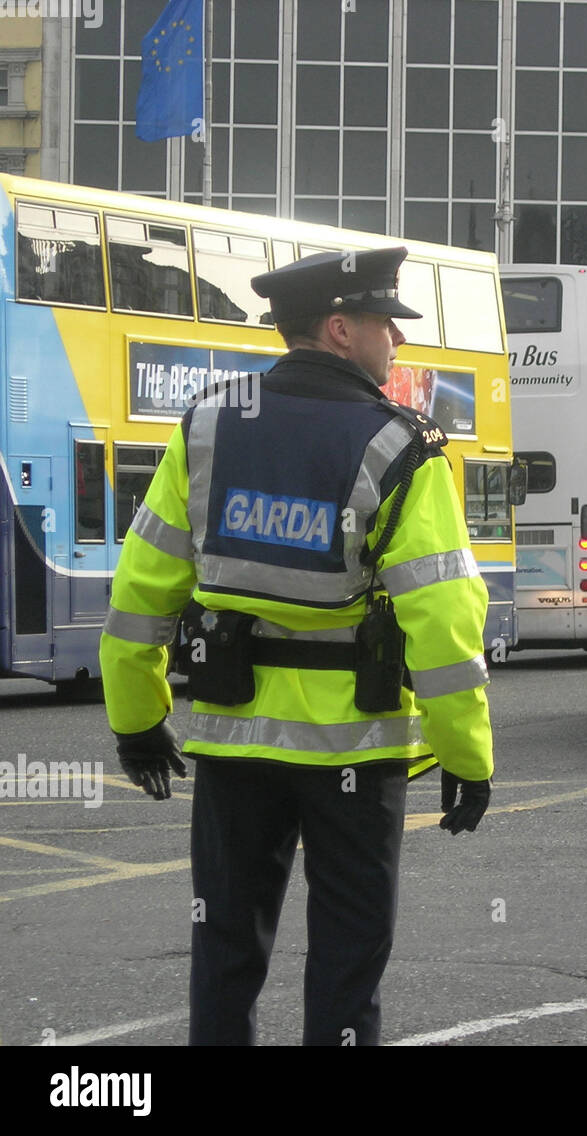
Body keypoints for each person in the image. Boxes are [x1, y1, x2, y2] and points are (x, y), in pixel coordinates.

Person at [100, 247, 494, 1046]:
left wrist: (137, 719)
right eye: (386, 324)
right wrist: (468, 755)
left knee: (225, 946)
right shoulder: (402, 449)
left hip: (233, 744)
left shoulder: (207, 429)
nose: (397, 342)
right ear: (341, 329)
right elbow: (444, 625)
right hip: (355, 747)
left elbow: (141, 592)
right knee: (348, 954)